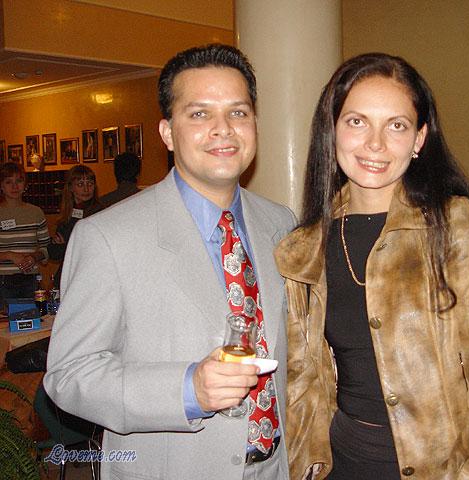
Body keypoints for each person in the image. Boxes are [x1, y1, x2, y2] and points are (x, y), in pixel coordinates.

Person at [44, 44, 295, 479]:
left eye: (238, 112)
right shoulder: (107, 236)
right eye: (199, 114)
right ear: (166, 132)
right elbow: (69, 376)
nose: (223, 129)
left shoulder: (281, 223)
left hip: (277, 466)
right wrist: (188, 389)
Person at [275, 53, 469, 480]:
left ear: (419, 138)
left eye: (396, 125)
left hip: (441, 468)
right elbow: (302, 379)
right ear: (331, 129)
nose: (375, 143)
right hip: (340, 462)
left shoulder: (450, 225)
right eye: (357, 121)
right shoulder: (306, 246)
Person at [0, 162, 50, 304]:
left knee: (32, 317)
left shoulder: (36, 212)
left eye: (19, 181)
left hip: (30, 279)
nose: (14, 186)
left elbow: (47, 248)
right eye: (8, 182)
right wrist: (9, 255)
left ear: (25, 184)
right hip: (2, 280)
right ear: (1, 186)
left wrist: (34, 257)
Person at [47, 165, 102, 289]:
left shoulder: (100, 212)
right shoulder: (66, 215)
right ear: (71, 188)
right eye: (80, 184)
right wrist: (59, 246)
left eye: (90, 184)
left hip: (91, 274)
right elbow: (55, 254)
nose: (86, 189)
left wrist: (64, 245)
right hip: (70, 274)